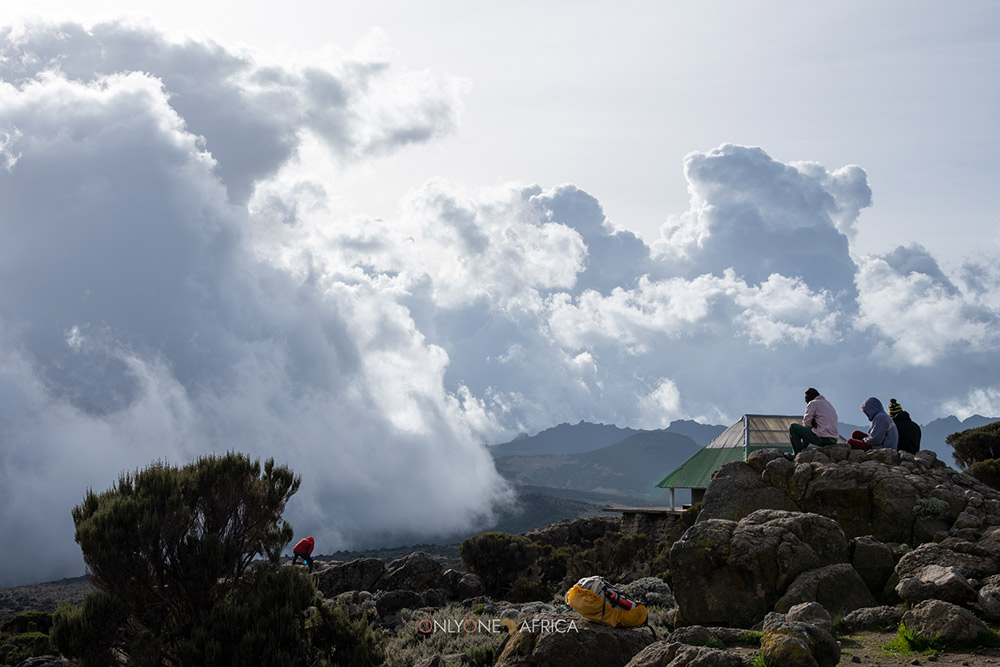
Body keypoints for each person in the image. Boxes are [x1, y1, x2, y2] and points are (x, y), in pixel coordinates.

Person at [788, 388, 840, 454]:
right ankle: (802, 450)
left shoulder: (813, 403)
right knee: (811, 429)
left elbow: (806, 423)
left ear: (810, 397)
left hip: (823, 439)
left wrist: (812, 424)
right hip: (833, 439)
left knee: (793, 427)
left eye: (806, 400)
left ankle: (797, 454)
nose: (806, 402)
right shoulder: (828, 404)